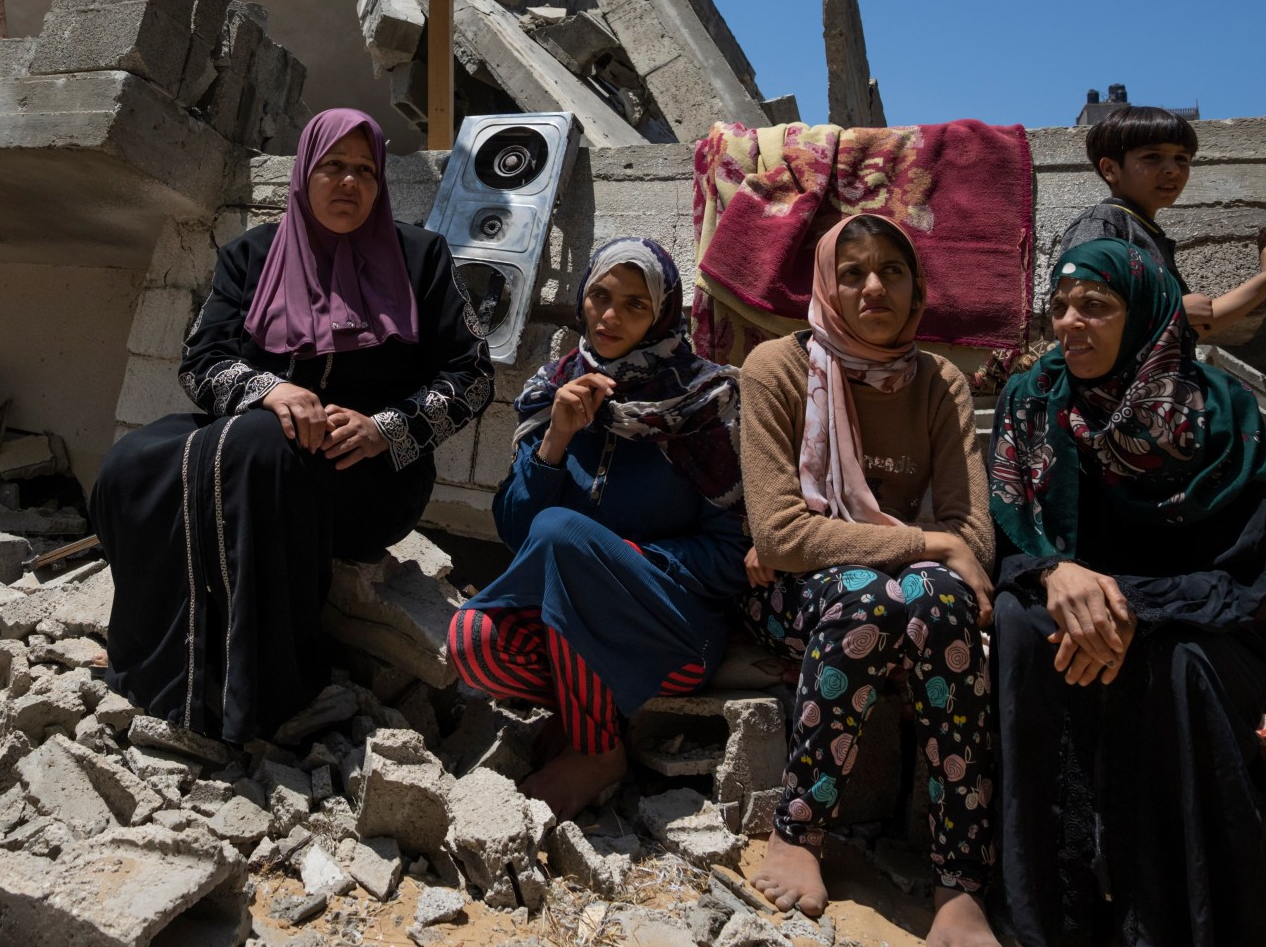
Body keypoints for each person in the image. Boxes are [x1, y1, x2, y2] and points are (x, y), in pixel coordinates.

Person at [93, 108, 493, 743]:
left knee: (254, 448)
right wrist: (271, 389)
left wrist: (384, 427)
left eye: (365, 170)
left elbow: (472, 376)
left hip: (364, 477)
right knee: (135, 460)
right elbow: (201, 360)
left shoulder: (422, 259)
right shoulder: (250, 257)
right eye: (333, 165)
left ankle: (268, 692)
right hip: (260, 446)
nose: (348, 183)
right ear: (305, 171)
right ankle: (155, 665)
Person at [986, 239, 1266, 947]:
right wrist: (1055, 571)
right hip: (1068, 608)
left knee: (1182, 665)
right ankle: (1054, 917)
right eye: (1061, 307)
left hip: (1197, 623)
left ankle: (1172, 925)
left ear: (1147, 315)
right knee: (1017, 624)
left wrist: (1132, 609)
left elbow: (1238, 571)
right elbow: (1012, 543)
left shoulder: (1217, 413)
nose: (1071, 323)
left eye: (1095, 307)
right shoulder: (1032, 401)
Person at [734, 213, 1000, 946]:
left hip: (912, 593)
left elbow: (974, 532)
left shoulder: (939, 382)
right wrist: (927, 543)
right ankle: (799, 829)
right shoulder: (777, 369)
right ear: (825, 284)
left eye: (891, 271)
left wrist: (938, 552)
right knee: (872, 600)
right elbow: (781, 535)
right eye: (851, 272)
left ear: (918, 292)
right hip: (793, 596)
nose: (872, 286)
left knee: (934, 601)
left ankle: (959, 881)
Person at [447, 238, 748, 820]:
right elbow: (515, 532)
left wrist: (614, 563)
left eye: (635, 305)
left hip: (673, 639)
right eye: (600, 297)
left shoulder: (707, 402)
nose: (610, 317)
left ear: (662, 313)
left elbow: (731, 555)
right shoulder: (555, 387)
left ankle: (597, 752)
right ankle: (587, 713)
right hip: (570, 625)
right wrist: (556, 440)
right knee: (472, 644)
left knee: (566, 541)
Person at [1059, 104, 1266, 337]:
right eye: (1152, 157)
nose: (1173, 169)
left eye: (1182, 159)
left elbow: (1201, 322)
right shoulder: (1105, 221)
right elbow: (1078, 307)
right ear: (1110, 169)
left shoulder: (1146, 231)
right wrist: (1173, 312)